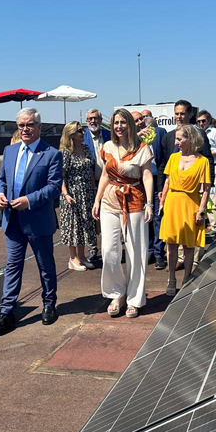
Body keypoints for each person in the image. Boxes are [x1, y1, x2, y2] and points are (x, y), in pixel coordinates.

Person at [0, 108, 63, 330]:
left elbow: (54, 188)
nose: (25, 129)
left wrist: (29, 200)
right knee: (12, 266)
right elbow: (1, 178)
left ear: (39, 126)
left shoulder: (51, 154)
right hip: (12, 220)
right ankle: (7, 311)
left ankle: (49, 304)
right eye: (21, 125)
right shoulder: (9, 151)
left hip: (38, 220)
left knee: (45, 265)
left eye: (30, 124)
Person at [92, 108, 154, 318]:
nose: (119, 126)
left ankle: (135, 299)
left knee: (136, 251)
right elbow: (104, 176)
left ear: (130, 124)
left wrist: (150, 203)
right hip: (109, 202)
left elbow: (147, 176)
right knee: (109, 250)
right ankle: (116, 293)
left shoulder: (142, 148)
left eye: (123, 122)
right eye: (115, 123)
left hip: (134, 201)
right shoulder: (107, 146)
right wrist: (97, 199)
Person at [158, 99, 214, 269]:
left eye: (182, 113)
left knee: (190, 237)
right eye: (176, 113)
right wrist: (161, 190)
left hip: (192, 194)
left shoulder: (199, 135)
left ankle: (193, 263)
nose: (179, 116)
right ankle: (177, 263)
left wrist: (208, 186)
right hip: (173, 195)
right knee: (174, 237)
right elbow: (163, 164)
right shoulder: (168, 137)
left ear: (190, 114)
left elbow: (208, 160)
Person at [159, 124, 211, 296]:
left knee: (189, 246)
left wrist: (201, 210)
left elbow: (206, 188)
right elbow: (167, 181)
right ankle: (171, 279)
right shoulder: (173, 158)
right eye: (176, 139)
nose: (177, 142)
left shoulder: (202, 161)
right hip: (172, 203)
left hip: (191, 204)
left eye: (180, 139)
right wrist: (162, 201)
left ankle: (186, 278)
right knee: (171, 244)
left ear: (191, 139)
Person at [58, 121, 98, 271]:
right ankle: (73, 257)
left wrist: (94, 188)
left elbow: (91, 170)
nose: (83, 133)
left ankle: (82, 255)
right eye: (80, 131)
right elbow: (61, 175)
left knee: (85, 225)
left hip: (86, 192)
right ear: (72, 134)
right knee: (74, 225)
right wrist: (66, 194)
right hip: (73, 192)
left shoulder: (86, 148)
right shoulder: (66, 152)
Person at [141, 109, 168, 270]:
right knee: (144, 219)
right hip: (141, 183)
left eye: (147, 116)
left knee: (158, 217)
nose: (145, 120)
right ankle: (149, 251)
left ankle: (159, 254)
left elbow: (163, 157)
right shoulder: (135, 137)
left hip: (157, 181)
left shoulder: (160, 132)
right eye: (142, 117)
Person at [83, 108, 111, 262]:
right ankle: (93, 249)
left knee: (108, 215)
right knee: (90, 218)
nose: (92, 121)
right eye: (89, 119)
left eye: (95, 118)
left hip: (108, 183)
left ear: (100, 120)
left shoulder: (109, 135)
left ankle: (109, 248)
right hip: (90, 183)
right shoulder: (82, 137)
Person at [196, 110, 216, 235]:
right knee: (203, 196)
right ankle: (208, 222)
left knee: (215, 196)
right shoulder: (196, 133)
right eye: (199, 121)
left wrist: (207, 152)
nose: (201, 123)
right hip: (201, 167)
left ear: (209, 121)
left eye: (203, 121)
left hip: (215, 165)